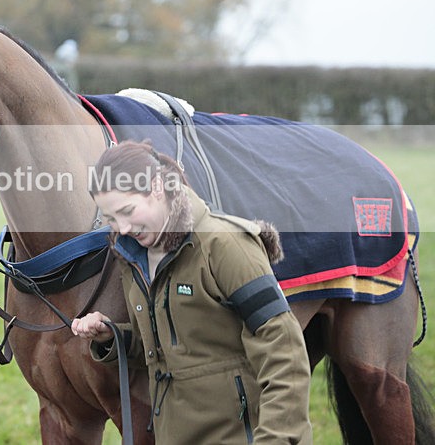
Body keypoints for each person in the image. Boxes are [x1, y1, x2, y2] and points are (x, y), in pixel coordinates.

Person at [72, 140, 313, 444]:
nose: (122, 229)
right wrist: (113, 337)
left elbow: (285, 355)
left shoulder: (225, 245)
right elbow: (173, 347)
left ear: (157, 187)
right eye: (111, 219)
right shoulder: (135, 258)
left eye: (127, 211)